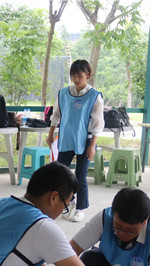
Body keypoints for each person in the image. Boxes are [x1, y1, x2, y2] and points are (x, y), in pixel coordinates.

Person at [47, 59, 105, 223]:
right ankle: (69, 200)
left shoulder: (94, 96)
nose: (76, 79)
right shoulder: (63, 94)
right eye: (73, 76)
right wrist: (50, 134)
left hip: (85, 140)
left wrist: (92, 145)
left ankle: (81, 208)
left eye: (80, 76)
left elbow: (98, 122)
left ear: (88, 75)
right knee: (60, 173)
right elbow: (56, 115)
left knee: (81, 175)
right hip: (66, 138)